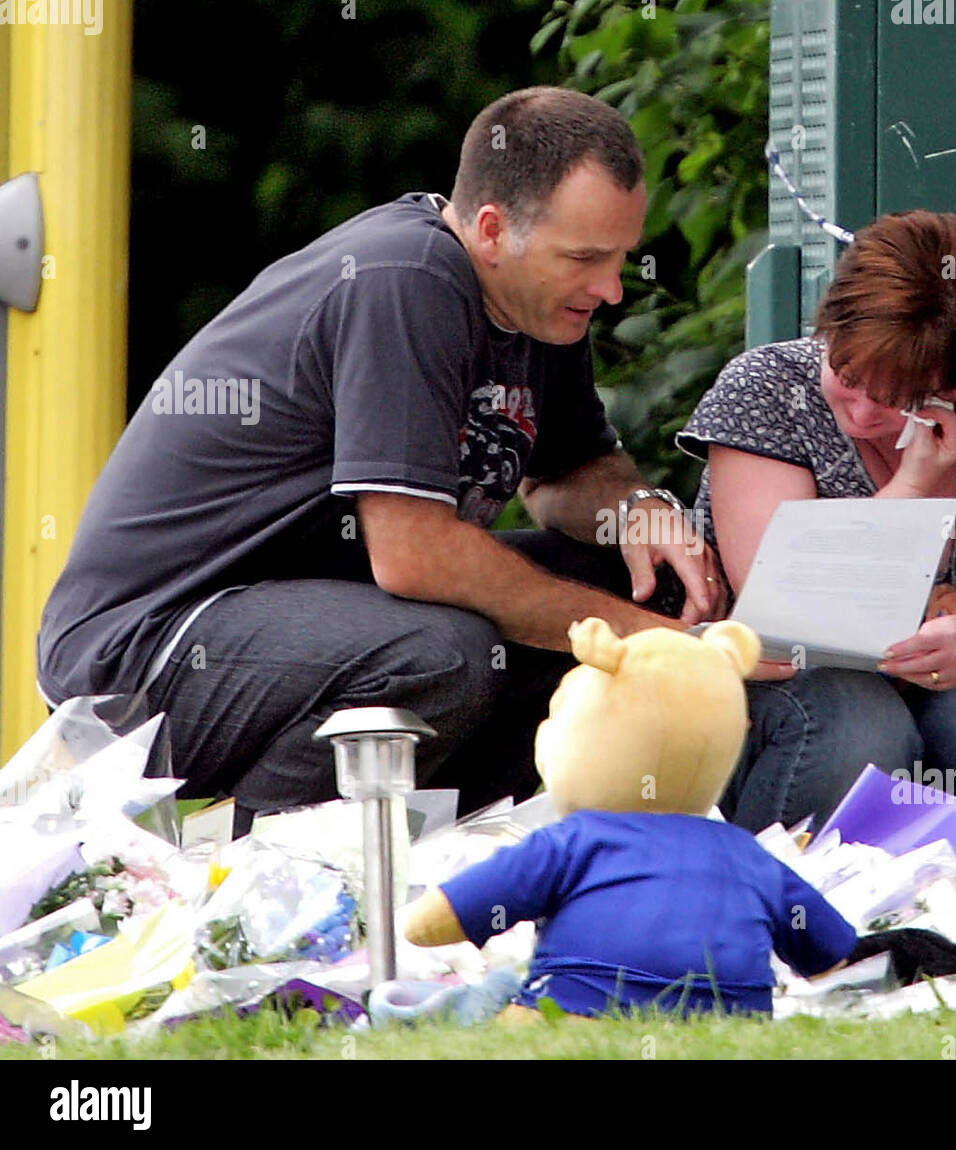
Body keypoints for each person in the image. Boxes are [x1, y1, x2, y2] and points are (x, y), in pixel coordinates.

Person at [36, 87, 725, 833]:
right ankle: (271, 890)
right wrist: (642, 644)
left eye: (621, 258)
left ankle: (464, 863)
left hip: (318, 621)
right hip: (137, 653)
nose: (610, 288)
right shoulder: (409, 278)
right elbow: (415, 556)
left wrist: (635, 514)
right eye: (586, 259)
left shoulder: (541, 304)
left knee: (637, 588)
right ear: (492, 231)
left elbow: (568, 476)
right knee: (444, 655)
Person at [678, 210, 956, 863]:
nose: (866, 412)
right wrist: (917, 482)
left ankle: (939, 918)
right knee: (860, 723)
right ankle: (774, 909)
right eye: (849, 374)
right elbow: (791, 618)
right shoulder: (766, 388)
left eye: (898, 396)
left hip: (924, 689)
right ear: (828, 327)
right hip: (775, 691)